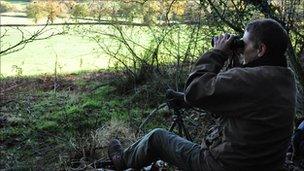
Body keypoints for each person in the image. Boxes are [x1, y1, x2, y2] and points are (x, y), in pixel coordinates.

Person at [107, 18, 296, 171]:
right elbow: (237, 97)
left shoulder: (251, 79)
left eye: (243, 45)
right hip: (266, 164)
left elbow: (195, 90)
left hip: (226, 166)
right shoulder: (284, 80)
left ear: (261, 49)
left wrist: (217, 53)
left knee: (157, 138)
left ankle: (121, 161)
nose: (241, 49)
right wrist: (237, 59)